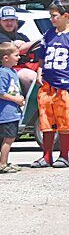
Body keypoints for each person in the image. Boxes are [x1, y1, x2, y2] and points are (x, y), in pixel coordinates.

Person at [25, 0, 69, 169]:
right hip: (47, 85)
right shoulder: (48, 35)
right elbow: (42, 57)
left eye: (54, 16)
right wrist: (39, 71)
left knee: (64, 122)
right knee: (46, 122)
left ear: (66, 16)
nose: (51, 19)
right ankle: (46, 156)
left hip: (64, 85)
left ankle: (64, 156)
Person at [0, 5, 37, 92]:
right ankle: (30, 104)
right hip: (7, 68)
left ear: (16, 21)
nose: (9, 23)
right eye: (5, 20)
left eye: (12, 20)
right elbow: (16, 49)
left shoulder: (21, 36)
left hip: (26, 65)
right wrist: (42, 40)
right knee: (30, 77)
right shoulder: (1, 36)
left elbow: (31, 48)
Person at [0, 42, 23, 173]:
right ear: (6, 58)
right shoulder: (3, 73)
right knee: (8, 139)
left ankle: (4, 162)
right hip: (6, 113)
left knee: (8, 138)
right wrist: (16, 99)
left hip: (13, 112)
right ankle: (3, 164)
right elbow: (1, 92)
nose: (18, 58)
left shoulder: (12, 71)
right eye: (16, 55)